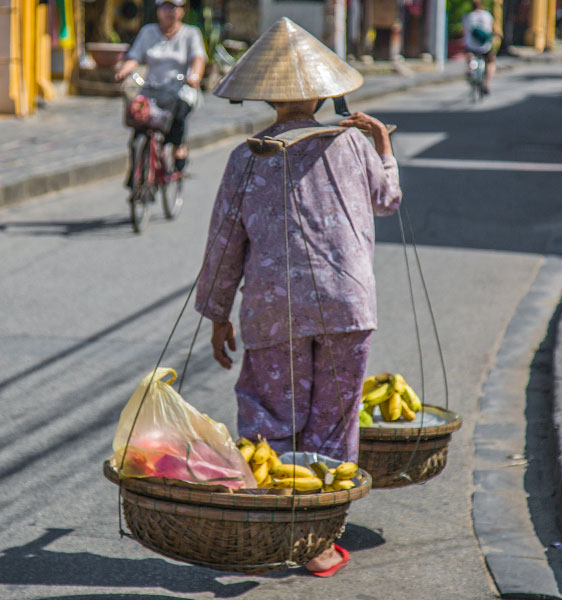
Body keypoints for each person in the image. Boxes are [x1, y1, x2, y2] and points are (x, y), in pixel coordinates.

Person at [195, 17, 401, 576]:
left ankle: (268, 533)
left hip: (271, 310)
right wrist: (384, 145)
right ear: (318, 91)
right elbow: (388, 197)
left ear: (267, 94)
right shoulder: (355, 144)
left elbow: (224, 245)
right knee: (332, 422)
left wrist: (217, 316)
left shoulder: (247, 158)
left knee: (270, 417)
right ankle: (316, 542)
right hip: (348, 306)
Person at [114, 0, 206, 172]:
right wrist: (123, 71)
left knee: (178, 114)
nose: (168, 12)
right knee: (138, 118)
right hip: (152, 88)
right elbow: (135, 56)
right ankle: (136, 173)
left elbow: (198, 58)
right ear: (158, 11)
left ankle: (179, 147)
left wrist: (194, 76)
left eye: (173, 7)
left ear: (181, 11)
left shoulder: (191, 33)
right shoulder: (148, 32)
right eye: (164, 7)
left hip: (179, 88)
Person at [463, 0, 498, 94]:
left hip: (471, 45)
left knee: (469, 56)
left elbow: (465, 30)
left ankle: (470, 69)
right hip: (485, 46)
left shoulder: (468, 16)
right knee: (491, 61)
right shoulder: (487, 15)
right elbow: (494, 29)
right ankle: (487, 83)